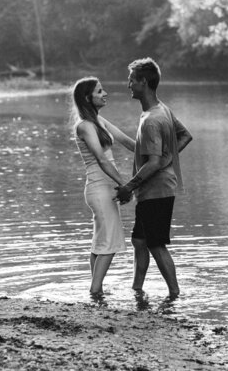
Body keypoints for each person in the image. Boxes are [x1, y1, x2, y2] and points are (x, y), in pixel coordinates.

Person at [115, 58, 192, 299]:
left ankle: (174, 294)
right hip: (153, 190)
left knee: (156, 244)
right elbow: (185, 136)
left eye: (132, 80)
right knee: (139, 240)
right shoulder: (161, 110)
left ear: (144, 83)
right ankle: (137, 289)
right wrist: (167, 159)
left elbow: (155, 161)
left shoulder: (151, 119)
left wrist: (128, 187)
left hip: (157, 191)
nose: (128, 85)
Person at [70, 77, 135, 298]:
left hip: (105, 187)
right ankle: (95, 290)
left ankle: (96, 288)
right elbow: (101, 159)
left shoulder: (97, 120)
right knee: (110, 241)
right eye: (99, 91)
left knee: (100, 241)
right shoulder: (85, 126)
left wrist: (157, 152)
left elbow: (126, 141)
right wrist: (125, 185)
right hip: (99, 188)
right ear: (87, 98)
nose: (105, 93)